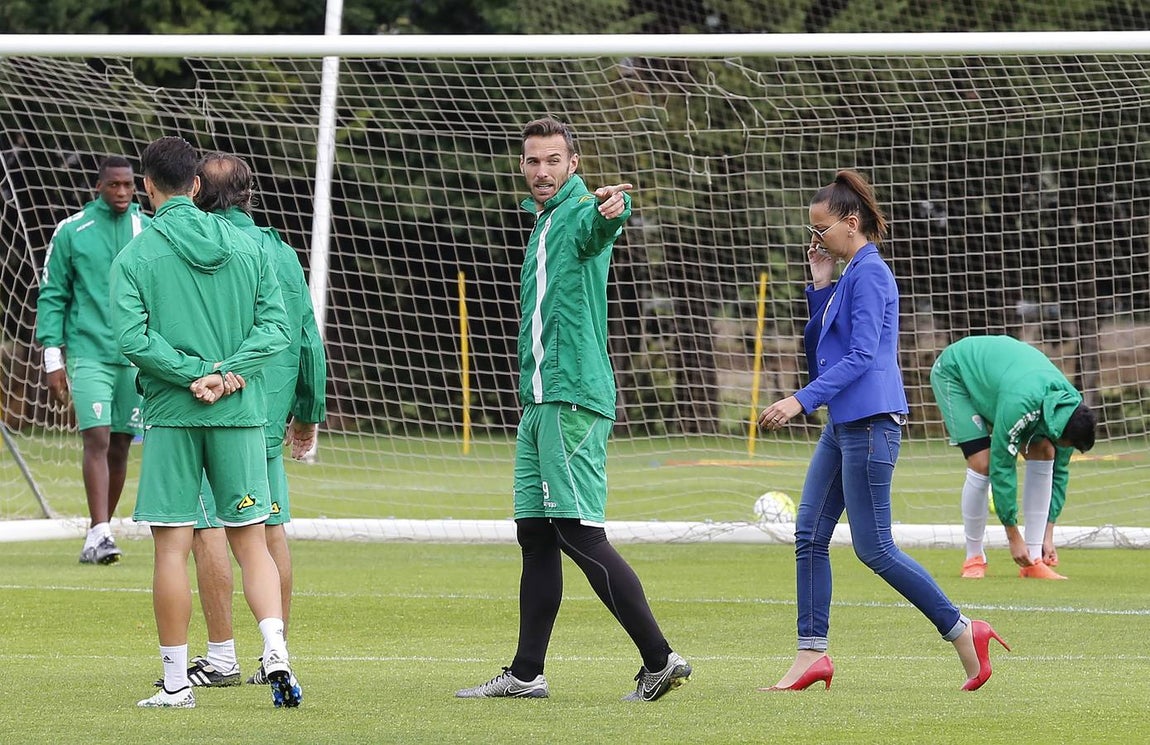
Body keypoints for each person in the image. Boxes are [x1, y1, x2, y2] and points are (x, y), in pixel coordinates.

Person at [455, 116, 691, 702]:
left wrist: (619, 202)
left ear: (574, 164)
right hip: (538, 402)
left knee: (579, 532)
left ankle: (660, 658)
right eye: (533, 161)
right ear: (522, 165)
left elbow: (607, 216)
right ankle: (526, 673)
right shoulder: (543, 221)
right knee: (535, 535)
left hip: (571, 398)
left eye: (553, 160)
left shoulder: (581, 211)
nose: (542, 171)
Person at [757, 169, 1006, 693]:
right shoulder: (849, 274)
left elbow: (863, 355)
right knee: (809, 535)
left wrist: (800, 401)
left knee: (875, 549)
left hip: (871, 424)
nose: (814, 240)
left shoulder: (871, 273)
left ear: (851, 223)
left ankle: (964, 631)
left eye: (820, 230)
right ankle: (811, 654)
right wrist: (821, 285)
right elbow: (825, 346)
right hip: (843, 423)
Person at [109, 136, 301, 709]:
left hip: (173, 415)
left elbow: (131, 340)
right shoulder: (252, 248)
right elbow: (276, 328)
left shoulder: (134, 256)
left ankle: (175, 685)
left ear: (147, 186)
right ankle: (275, 650)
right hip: (240, 412)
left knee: (172, 549)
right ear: (195, 185)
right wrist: (226, 371)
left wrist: (194, 374)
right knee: (252, 542)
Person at [165, 151, 326, 689]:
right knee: (268, 529)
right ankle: (274, 651)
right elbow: (305, 333)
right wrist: (308, 413)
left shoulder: (191, 243)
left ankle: (222, 656)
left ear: (193, 192)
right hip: (268, 411)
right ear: (250, 193)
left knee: (209, 528)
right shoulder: (276, 249)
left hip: (212, 406)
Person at [35, 156, 149, 565]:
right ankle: (101, 532)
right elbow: (52, 294)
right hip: (88, 351)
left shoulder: (149, 229)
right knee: (97, 438)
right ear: (98, 186)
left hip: (136, 356)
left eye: (129, 186)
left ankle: (97, 532)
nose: (122, 193)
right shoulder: (72, 231)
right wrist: (52, 358)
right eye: (114, 185)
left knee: (120, 444)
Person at [929, 335, 1098, 580]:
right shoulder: (1021, 405)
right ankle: (974, 558)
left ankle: (1033, 561)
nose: (1066, 449)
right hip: (956, 375)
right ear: (1059, 431)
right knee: (983, 463)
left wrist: (1046, 536)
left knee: (1046, 451)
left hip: (1003, 387)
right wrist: (1013, 536)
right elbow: (1002, 465)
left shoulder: (1068, 410)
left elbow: (1059, 472)